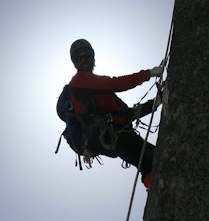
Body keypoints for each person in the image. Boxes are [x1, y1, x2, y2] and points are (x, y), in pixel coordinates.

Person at [65, 39, 163, 188]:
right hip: (109, 135)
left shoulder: (99, 94)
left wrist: (155, 103)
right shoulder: (80, 80)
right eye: (79, 58)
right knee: (148, 163)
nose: (84, 60)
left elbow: (126, 114)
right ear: (75, 63)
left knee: (152, 158)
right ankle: (161, 193)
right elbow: (116, 84)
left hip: (115, 135)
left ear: (93, 58)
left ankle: (159, 191)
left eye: (87, 56)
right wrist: (148, 74)